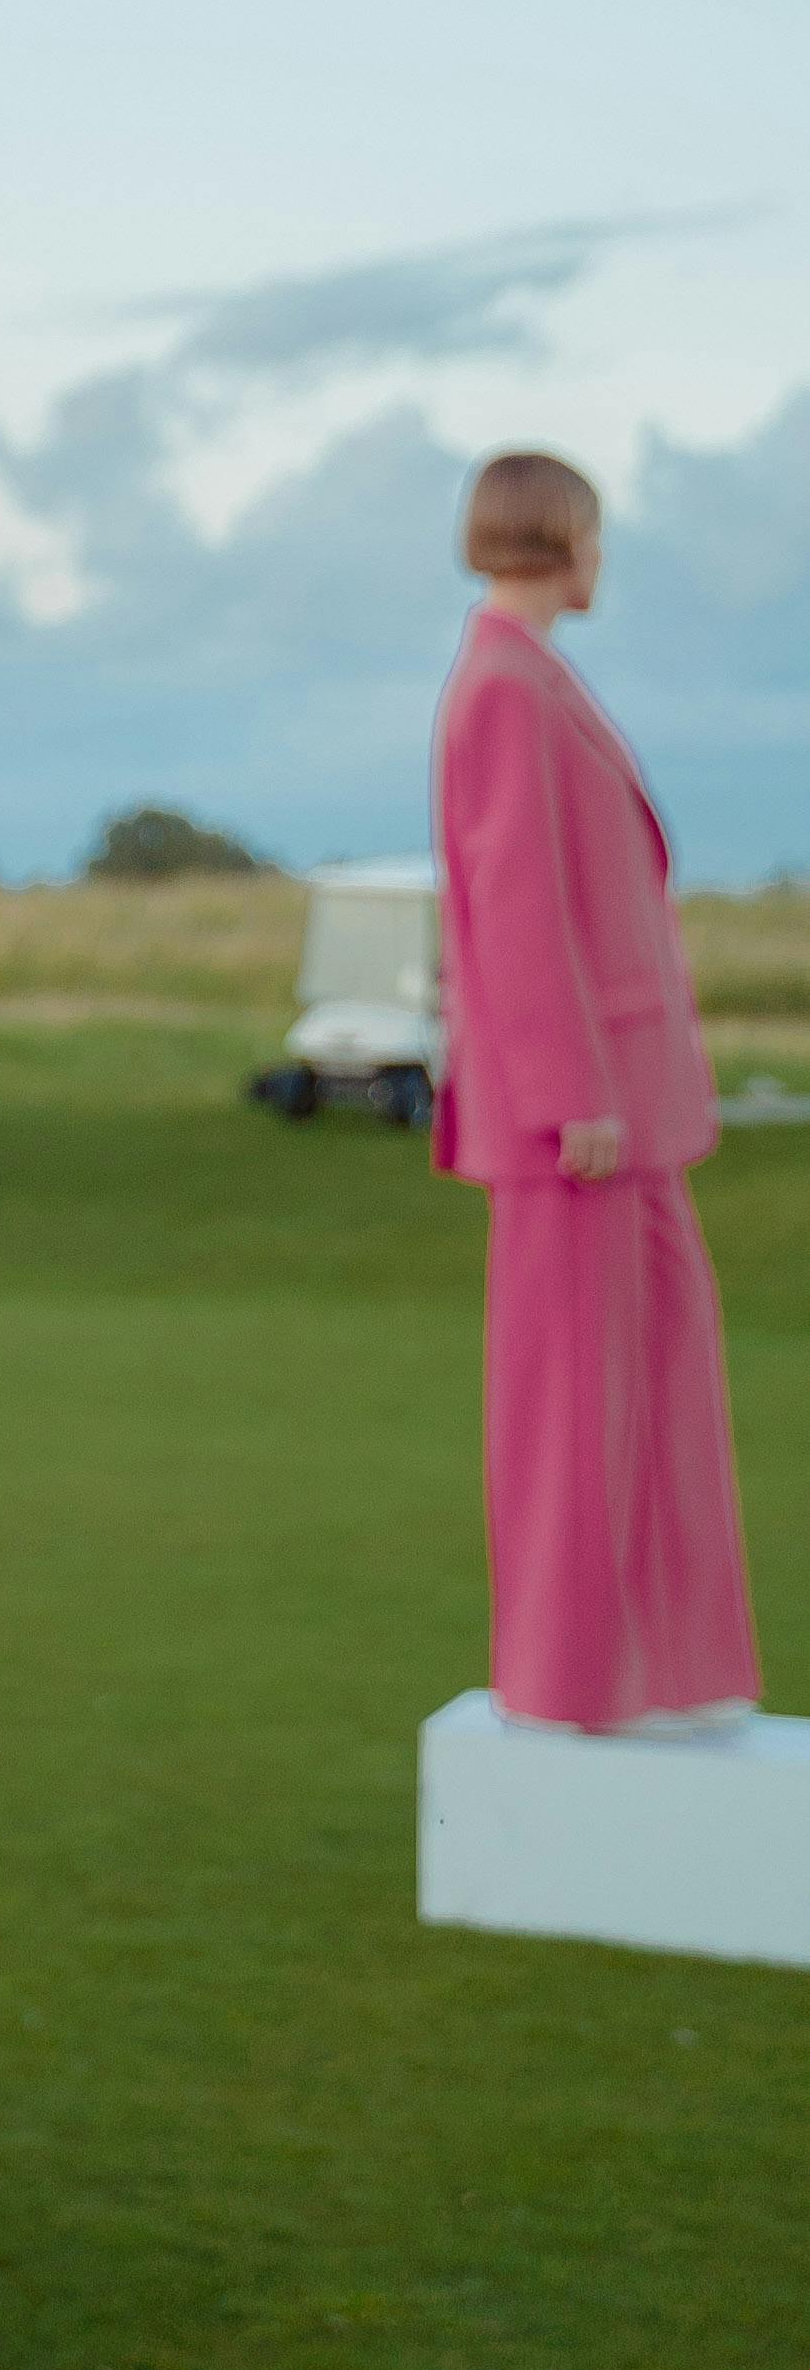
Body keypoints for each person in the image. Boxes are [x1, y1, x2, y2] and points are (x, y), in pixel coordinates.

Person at [434, 446, 756, 1734]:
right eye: (595, 533)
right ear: (559, 536)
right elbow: (515, 913)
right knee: (575, 1408)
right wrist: (573, 1095)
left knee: (658, 1386)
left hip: (628, 1116)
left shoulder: (531, 676)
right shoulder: (504, 688)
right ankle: (570, 1687)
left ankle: (667, 1670)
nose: (603, 555)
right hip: (580, 1127)